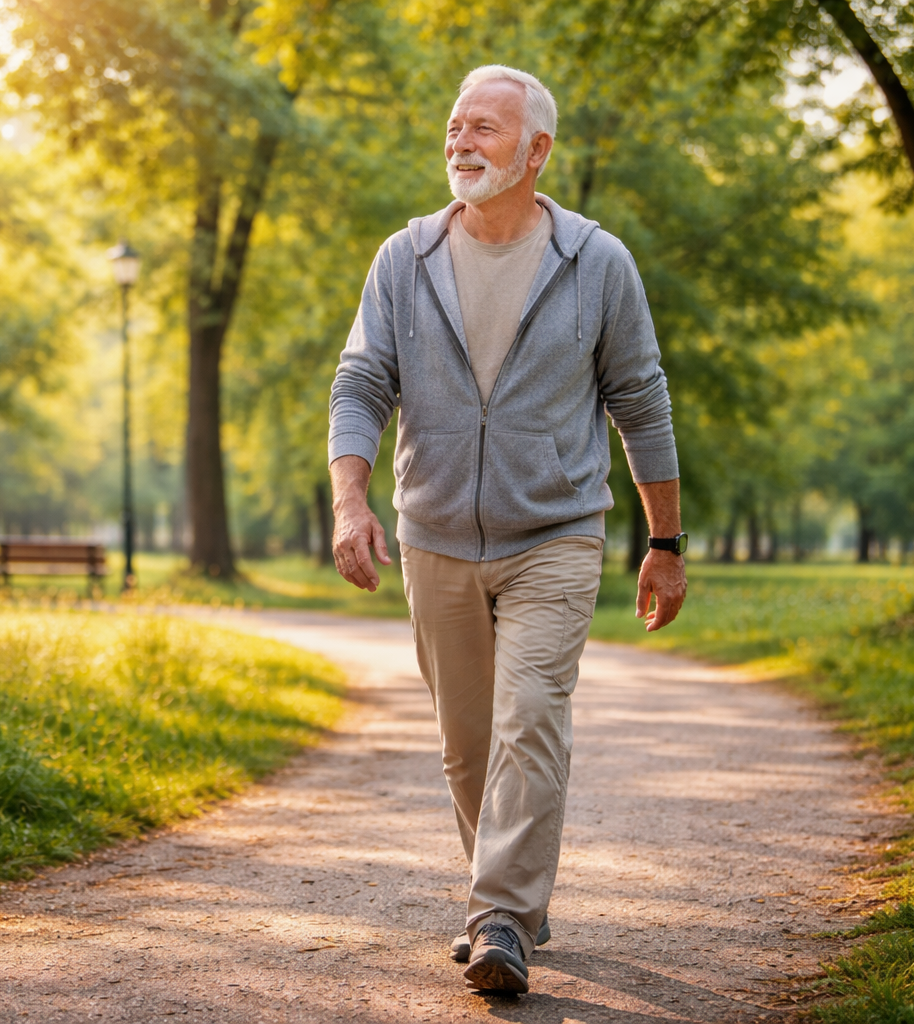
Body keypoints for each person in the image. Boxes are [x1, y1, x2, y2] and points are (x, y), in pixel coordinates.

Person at [325, 64, 688, 994]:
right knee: (467, 745)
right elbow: (362, 382)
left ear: (537, 151)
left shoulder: (596, 262)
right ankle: (514, 893)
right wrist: (350, 500)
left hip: (555, 535)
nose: (461, 141)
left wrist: (665, 542)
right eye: (454, 125)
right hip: (435, 532)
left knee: (530, 719)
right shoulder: (402, 260)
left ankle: (499, 917)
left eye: (484, 128)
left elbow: (640, 401)